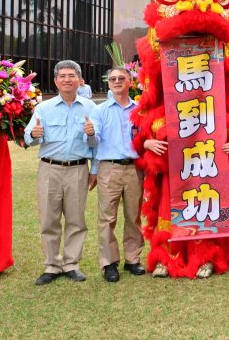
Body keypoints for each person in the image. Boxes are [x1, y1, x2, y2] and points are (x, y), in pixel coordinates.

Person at [24, 60, 96, 286]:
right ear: (55, 81)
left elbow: (96, 143)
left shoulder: (91, 108)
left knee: (76, 219)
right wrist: (34, 134)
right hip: (49, 169)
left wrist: (92, 135)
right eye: (62, 75)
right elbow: (27, 138)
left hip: (77, 169)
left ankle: (71, 264)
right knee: (49, 219)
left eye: (71, 76)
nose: (67, 79)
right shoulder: (43, 108)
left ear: (80, 80)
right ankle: (52, 265)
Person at [86, 68, 145, 282]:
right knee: (107, 217)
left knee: (134, 215)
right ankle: (109, 263)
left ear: (130, 82)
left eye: (122, 78)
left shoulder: (140, 109)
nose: (117, 81)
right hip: (108, 168)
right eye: (113, 79)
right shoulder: (99, 111)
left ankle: (133, 259)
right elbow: (94, 141)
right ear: (108, 84)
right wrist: (90, 133)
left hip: (134, 168)